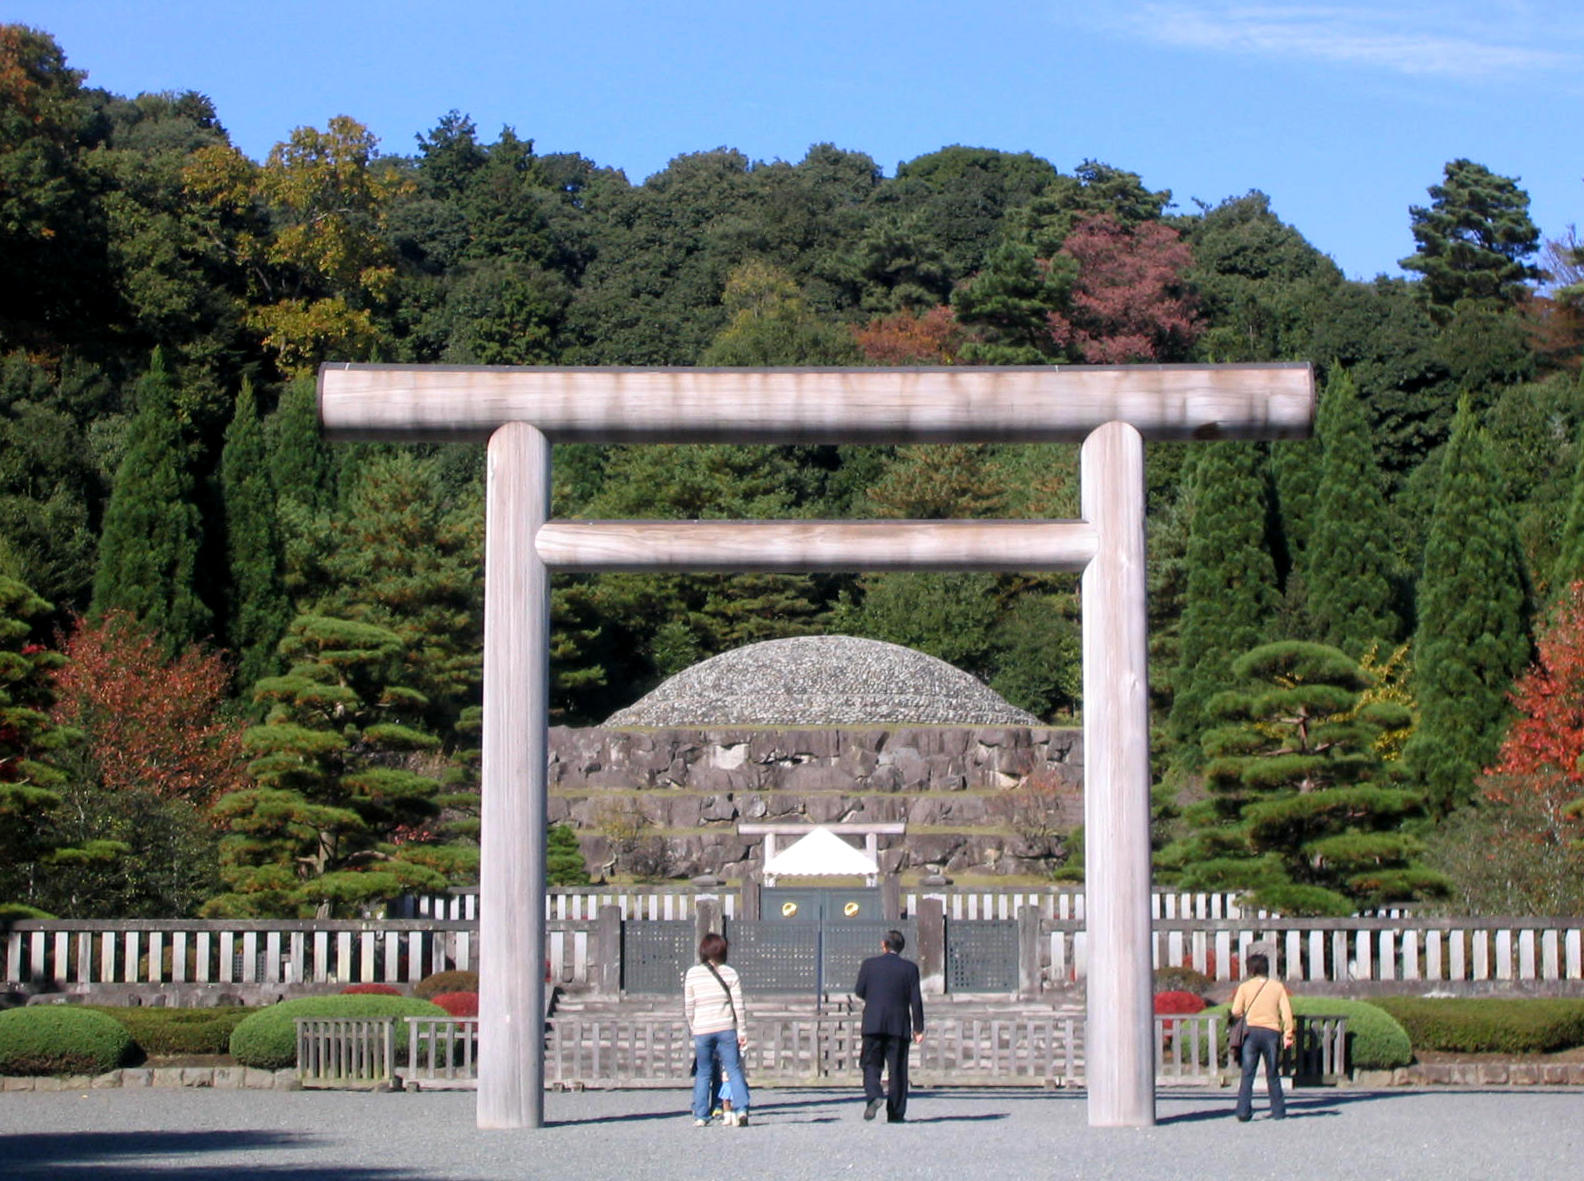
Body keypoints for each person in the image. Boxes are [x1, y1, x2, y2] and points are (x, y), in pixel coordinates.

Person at [854, 928, 924, 1123]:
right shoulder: (910, 968)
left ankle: (874, 1094)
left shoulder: (869, 965)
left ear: (883, 945)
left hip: (873, 1023)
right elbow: (916, 1000)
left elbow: (860, 991)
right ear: (901, 948)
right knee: (898, 1070)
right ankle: (896, 1112)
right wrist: (919, 1027)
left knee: (870, 1064)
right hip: (899, 1024)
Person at [684, 932, 750, 1127]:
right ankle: (741, 1108)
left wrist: (694, 1026)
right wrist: (742, 1030)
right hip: (726, 1027)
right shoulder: (730, 973)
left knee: (703, 1071)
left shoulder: (693, 974)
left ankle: (701, 1115)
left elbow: (689, 1006)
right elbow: (738, 1005)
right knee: (733, 1069)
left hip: (702, 1029)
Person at [1229, 951, 1294, 1122]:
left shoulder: (1244, 987)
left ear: (1250, 969)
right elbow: (1286, 1012)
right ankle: (1278, 1111)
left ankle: (1243, 1111)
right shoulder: (1277, 987)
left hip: (1251, 1032)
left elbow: (1236, 1011)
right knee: (1272, 1073)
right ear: (1267, 968)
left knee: (1248, 1073)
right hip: (1271, 1032)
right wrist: (1288, 1033)